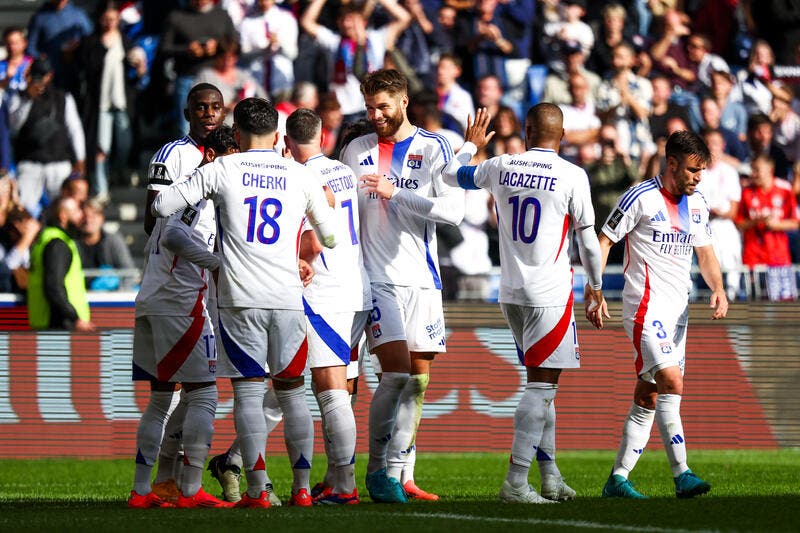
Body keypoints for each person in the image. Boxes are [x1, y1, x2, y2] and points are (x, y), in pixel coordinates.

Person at [151, 97, 338, 509]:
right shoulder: (298, 174)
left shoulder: (221, 168)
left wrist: (203, 183)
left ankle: (257, 490)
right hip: (288, 298)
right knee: (292, 393)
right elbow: (331, 238)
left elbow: (162, 206)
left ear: (235, 134)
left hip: (238, 299)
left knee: (249, 396)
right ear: (277, 135)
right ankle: (303, 490)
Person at [442, 104, 603, 503]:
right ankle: (516, 482)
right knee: (542, 388)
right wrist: (596, 288)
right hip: (549, 294)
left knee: (541, 386)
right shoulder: (572, 175)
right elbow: (587, 240)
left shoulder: (501, 165)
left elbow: (451, 175)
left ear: (527, 131)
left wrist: (470, 145)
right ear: (562, 136)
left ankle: (549, 476)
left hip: (510, 294)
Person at [341, 69, 464, 503]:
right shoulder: (355, 150)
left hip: (423, 281)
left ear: (404, 101)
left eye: (383, 107)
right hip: (375, 279)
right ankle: (377, 472)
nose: (375, 115)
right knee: (393, 373)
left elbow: (453, 212)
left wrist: (399, 194)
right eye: (369, 107)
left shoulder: (434, 147)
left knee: (418, 381)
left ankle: (401, 474)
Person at [587, 130, 728, 499]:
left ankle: (617, 479)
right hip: (644, 308)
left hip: (679, 312)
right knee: (672, 382)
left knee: (649, 395)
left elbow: (706, 253)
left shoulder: (697, 203)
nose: (697, 178)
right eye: (693, 170)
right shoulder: (640, 197)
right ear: (672, 164)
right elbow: (604, 241)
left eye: (702, 172)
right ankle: (682, 473)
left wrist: (718, 287)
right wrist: (595, 288)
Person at [128, 125, 239, 510]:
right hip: (180, 303)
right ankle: (190, 490)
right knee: (204, 394)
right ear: (211, 156)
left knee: (160, 401)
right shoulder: (202, 193)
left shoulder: (185, 191)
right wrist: (217, 264)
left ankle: (144, 491)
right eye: (231, 157)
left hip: (152, 298)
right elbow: (175, 234)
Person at [285, 108, 372, 504]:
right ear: (322, 137)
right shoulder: (341, 171)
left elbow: (312, 242)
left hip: (325, 292)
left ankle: (345, 486)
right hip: (357, 287)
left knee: (330, 388)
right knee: (339, 385)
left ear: (287, 142)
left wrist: (289, 257)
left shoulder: (302, 177)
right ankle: (337, 479)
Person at [300, 0, 411, 121]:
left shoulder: (376, 38)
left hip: (370, 107)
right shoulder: (334, 41)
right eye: (343, 20)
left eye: (351, 19)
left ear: (363, 21)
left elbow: (404, 18)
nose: (347, 24)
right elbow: (306, 22)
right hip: (340, 109)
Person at [7, 57, 86, 218]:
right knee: (24, 209)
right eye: (35, 75)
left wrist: (80, 157)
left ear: (49, 75)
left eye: (42, 75)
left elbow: (75, 129)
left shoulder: (63, 97)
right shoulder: (19, 97)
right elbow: (13, 127)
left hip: (58, 163)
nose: (39, 79)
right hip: (30, 163)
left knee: (62, 210)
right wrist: (28, 98)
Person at [143, 83, 225, 236]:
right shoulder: (171, 154)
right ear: (187, 115)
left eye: (216, 107)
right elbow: (151, 222)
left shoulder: (233, 155)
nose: (210, 113)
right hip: (176, 256)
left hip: (214, 255)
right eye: (201, 107)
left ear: (225, 113)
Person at [27, 195, 94, 332]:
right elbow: (53, 287)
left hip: (51, 323)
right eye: (76, 212)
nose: (82, 216)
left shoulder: (48, 238)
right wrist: (74, 318)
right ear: (63, 216)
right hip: (60, 325)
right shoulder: (57, 244)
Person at [736, 154, 799, 299]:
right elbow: (739, 223)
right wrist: (757, 221)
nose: (754, 174)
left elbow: (795, 223)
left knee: (783, 304)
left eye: (757, 170)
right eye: (753, 170)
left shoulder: (784, 190)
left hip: (778, 257)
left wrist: (776, 225)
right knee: (755, 302)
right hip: (753, 256)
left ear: (770, 169)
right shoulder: (747, 192)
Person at [77, 198, 137, 291]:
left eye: (94, 215)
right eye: (85, 216)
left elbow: (129, 273)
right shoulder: (72, 242)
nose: (88, 220)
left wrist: (117, 293)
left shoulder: (113, 240)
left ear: (102, 218)